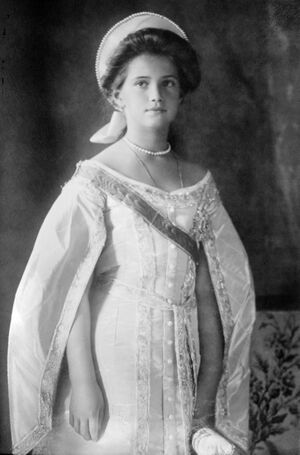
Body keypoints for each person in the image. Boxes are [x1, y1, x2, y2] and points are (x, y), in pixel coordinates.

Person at [8, 12, 256, 455]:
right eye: (141, 83)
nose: (156, 95)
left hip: (179, 357)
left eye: (168, 83)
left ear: (181, 93)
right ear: (116, 95)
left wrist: (208, 394)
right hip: (112, 354)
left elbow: (212, 292)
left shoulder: (199, 183)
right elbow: (69, 288)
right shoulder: (95, 179)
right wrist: (83, 380)